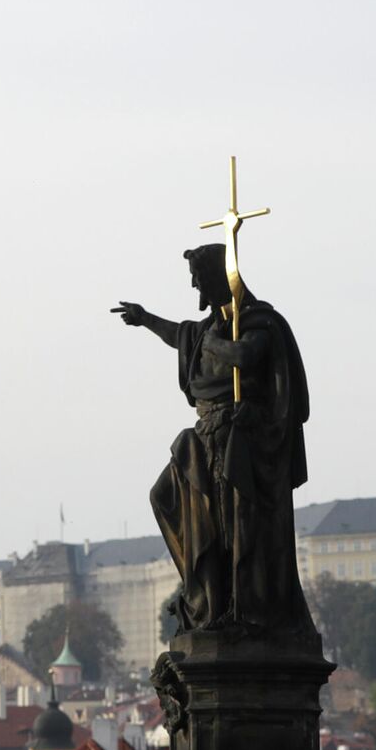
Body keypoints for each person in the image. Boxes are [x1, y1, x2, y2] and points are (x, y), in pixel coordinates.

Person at [112, 243, 316, 638]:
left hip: (243, 442)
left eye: (198, 280)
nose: (194, 288)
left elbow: (245, 356)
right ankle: (203, 593)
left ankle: (239, 606)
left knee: (235, 525)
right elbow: (180, 335)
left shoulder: (260, 321)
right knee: (164, 497)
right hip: (205, 436)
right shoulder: (207, 329)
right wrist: (145, 318)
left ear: (219, 279)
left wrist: (213, 344)